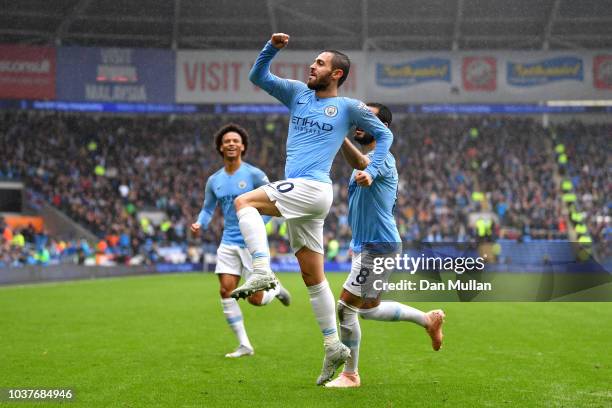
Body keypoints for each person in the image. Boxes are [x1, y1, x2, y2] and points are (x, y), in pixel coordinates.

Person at [231, 33, 394, 385]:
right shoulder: (297, 93)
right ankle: (333, 344)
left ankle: (260, 269)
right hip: (307, 197)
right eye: (314, 61)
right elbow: (258, 76)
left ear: (336, 74)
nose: (312, 66)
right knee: (312, 277)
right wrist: (271, 48)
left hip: (313, 186)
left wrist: (371, 169)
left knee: (243, 201)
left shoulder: (349, 107)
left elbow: (386, 136)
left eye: (320, 63)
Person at [326, 103, 445, 388]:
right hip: (368, 245)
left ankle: (351, 375)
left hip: (378, 246)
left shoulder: (384, 159)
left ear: (383, 128)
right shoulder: (368, 159)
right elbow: (359, 165)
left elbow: (365, 166)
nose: (359, 122)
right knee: (366, 308)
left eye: (367, 118)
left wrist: (339, 137)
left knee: (345, 308)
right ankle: (427, 320)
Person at [191, 123, 291, 358]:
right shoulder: (214, 180)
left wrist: (259, 226)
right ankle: (244, 344)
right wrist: (199, 223)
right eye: (227, 141)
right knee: (226, 290)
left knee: (255, 300)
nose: (231, 144)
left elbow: (273, 200)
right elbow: (207, 209)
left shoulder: (254, 174)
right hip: (227, 242)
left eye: (236, 140)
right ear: (220, 147)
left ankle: (274, 289)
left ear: (243, 146)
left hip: (250, 243)